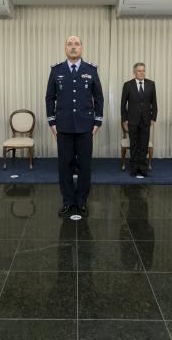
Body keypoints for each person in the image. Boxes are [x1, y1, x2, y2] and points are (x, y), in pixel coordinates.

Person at [45, 35, 104, 218]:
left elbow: (99, 97)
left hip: (86, 127)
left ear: (82, 48)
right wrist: (52, 122)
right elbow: (50, 98)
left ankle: (82, 201)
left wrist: (97, 122)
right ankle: (68, 201)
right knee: (65, 166)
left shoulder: (91, 70)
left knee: (85, 166)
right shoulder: (56, 70)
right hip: (63, 127)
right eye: (69, 44)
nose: (73, 47)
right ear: (65, 48)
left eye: (76, 44)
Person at [120, 62, 157, 176]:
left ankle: (143, 168)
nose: (142, 73)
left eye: (143, 70)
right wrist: (125, 118)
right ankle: (134, 169)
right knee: (134, 145)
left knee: (144, 145)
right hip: (132, 120)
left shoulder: (151, 84)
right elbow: (123, 104)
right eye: (139, 71)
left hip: (146, 120)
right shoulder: (128, 85)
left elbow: (154, 103)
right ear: (134, 72)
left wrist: (153, 117)